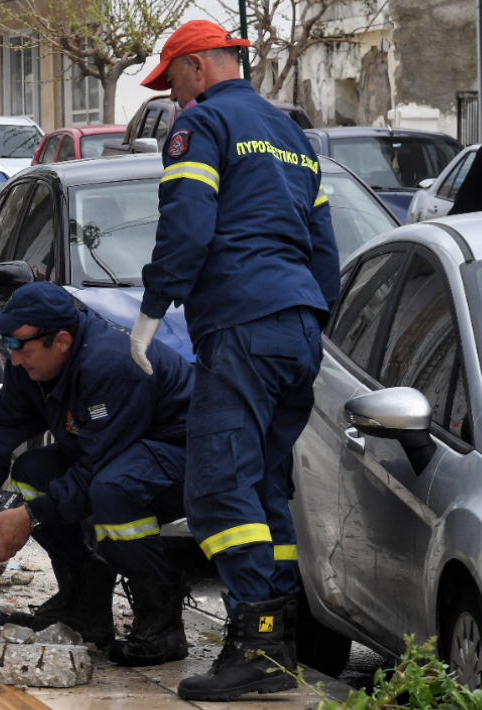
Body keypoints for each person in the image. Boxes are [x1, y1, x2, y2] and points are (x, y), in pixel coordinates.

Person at [130, 20, 339, 700]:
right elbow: (323, 246)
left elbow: (187, 224)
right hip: (297, 328)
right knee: (264, 486)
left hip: (242, 325)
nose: (174, 96)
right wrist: (310, 319)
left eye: (173, 81)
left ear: (197, 66)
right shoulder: (291, 135)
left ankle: (257, 641)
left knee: (218, 487)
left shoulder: (202, 125)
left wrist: (152, 309)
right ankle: (276, 641)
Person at [0, 282, 194, 666]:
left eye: (20, 346)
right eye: (8, 344)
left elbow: (97, 468)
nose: (15, 358)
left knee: (111, 491)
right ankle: (84, 604)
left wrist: (28, 517)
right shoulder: (30, 365)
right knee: (31, 472)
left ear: (61, 341)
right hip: (119, 454)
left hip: (184, 458)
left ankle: (161, 622)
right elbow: (1, 428)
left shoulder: (110, 365)